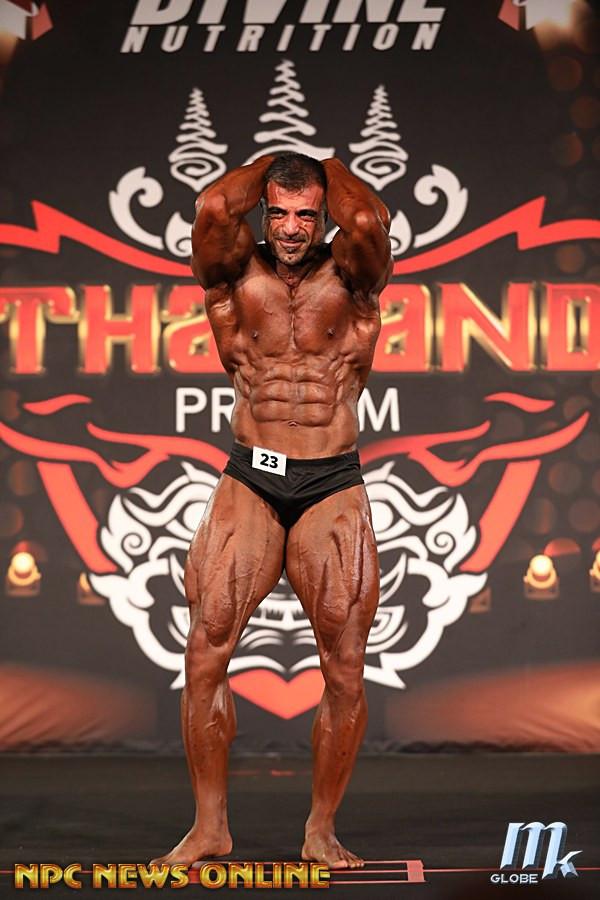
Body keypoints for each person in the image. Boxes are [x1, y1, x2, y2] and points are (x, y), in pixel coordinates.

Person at [152, 152, 392, 870]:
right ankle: (209, 827)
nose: (291, 228)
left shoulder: (354, 276)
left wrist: (326, 164)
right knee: (205, 650)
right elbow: (211, 210)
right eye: (279, 212)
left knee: (345, 668)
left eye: (306, 214)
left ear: (321, 216)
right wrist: (271, 168)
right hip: (252, 479)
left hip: (331, 482)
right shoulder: (232, 274)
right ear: (263, 208)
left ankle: (321, 828)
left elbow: (366, 219)